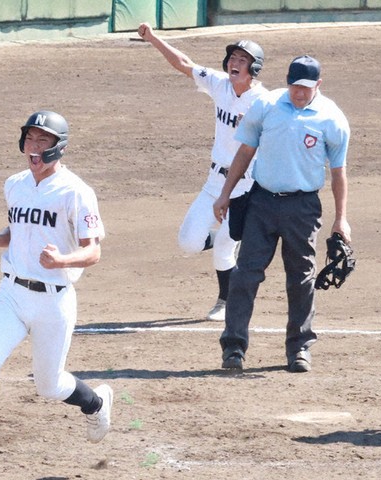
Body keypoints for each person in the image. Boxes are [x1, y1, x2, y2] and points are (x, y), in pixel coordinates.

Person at [0, 110, 113, 480]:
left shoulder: (76, 192)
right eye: (30, 140)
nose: (34, 148)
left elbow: (92, 253)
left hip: (54, 300)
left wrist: (63, 261)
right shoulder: (15, 185)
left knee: (49, 384)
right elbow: (18, 236)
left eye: (43, 141)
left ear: (59, 147)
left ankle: (96, 403)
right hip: (11, 295)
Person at [213, 55, 351, 373]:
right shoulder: (267, 105)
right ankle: (233, 347)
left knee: (301, 279)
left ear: (318, 84)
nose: (299, 93)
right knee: (245, 275)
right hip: (261, 202)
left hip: (303, 208)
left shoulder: (332, 119)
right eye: (294, 86)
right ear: (287, 82)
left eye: (305, 87)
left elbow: (339, 172)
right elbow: (245, 151)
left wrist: (340, 217)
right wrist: (225, 194)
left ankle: (299, 349)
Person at [137, 23, 268, 321]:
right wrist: (153, 38)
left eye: (242, 60)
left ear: (254, 67)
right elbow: (184, 63)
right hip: (214, 181)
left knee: (224, 246)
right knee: (188, 243)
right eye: (233, 57)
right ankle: (230, 238)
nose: (235, 63)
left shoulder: (263, 101)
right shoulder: (220, 84)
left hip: (246, 186)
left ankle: (225, 299)